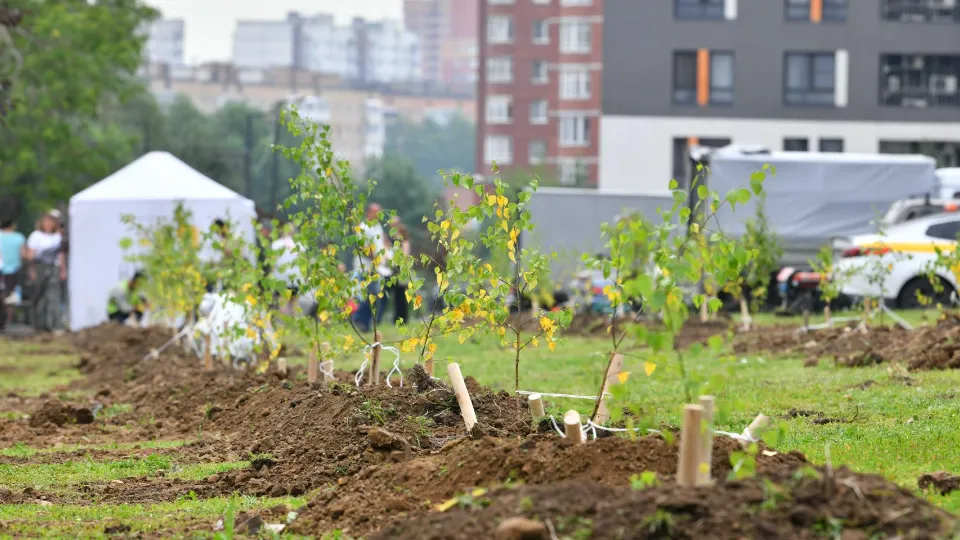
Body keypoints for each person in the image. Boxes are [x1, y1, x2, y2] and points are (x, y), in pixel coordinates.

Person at [351, 203, 393, 332]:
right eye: (376, 212)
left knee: (374, 294)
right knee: (366, 294)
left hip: (377, 267)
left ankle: (366, 323)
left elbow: (381, 242)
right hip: (365, 266)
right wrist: (375, 259)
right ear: (368, 213)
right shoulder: (364, 228)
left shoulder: (377, 227)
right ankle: (359, 319)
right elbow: (363, 248)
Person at [24, 211, 65, 332]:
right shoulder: (36, 235)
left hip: (53, 267)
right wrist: (32, 270)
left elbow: (60, 255)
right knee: (39, 297)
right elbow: (30, 254)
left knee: (54, 296)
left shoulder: (58, 236)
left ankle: (55, 324)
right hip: (39, 266)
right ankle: (39, 325)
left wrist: (62, 269)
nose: (48, 224)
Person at [0, 219, 26, 328]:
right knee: (10, 296)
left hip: (1, 270)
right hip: (14, 270)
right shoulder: (19, 237)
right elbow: (24, 254)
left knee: (2, 296)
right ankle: (9, 321)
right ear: (13, 225)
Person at [387, 216, 411, 324]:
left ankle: (402, 318)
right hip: (393, 269)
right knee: (397, 296)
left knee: (401, 296)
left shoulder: (403, 241)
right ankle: (397, 318)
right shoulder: (390, 238)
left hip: (400, 270)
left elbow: (405, 255)